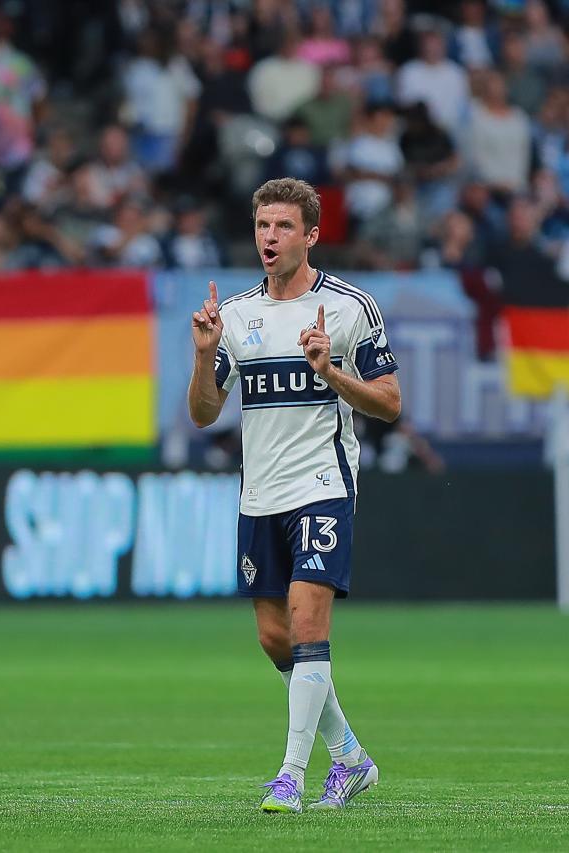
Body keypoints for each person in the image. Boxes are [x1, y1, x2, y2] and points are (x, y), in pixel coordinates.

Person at [187, 178, 400, 813]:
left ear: (311, 235)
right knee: (274, 637)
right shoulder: (237, 317)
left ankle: (290, 775)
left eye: (282, 226)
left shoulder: (350, 308)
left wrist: (330, 372)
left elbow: (390, 403)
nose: (269, 237)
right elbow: (203, 413)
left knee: (309, 625)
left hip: (322, 485)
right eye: (262, 226)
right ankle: (351, 758)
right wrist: (203, 355)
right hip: (260, 493)